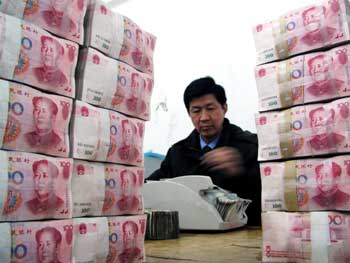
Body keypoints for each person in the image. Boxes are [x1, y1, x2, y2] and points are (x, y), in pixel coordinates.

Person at [148, 76, 261, 226]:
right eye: (196, 111)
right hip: (189, 237)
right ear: (189, 113)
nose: (204, 118)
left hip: (240, 236)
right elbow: (152, 186)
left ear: (224, 108)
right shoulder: (177, 153)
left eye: (210, 108)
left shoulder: (250, 146)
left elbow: (270, 195)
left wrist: (239, 170)